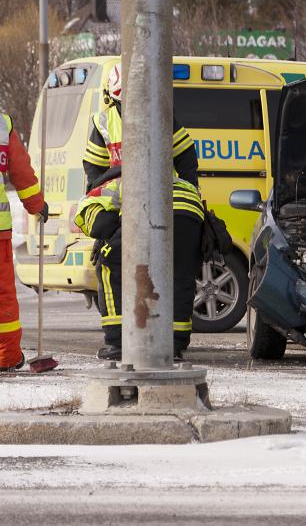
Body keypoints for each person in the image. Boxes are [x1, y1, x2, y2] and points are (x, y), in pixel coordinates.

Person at [74, 169, 204, 361]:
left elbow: (102, 226)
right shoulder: (162, 174)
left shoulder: (93, 198)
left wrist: (105, 242)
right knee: (179, 275)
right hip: (190, 212)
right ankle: (174, 345)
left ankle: (117, 343)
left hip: (152, 209)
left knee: (109, 267)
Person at [81, 62, 198, 191]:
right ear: (113, 99)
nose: (133, 108)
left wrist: (189, 188)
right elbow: (94, 167)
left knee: (186, 210)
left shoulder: (161, 119)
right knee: (96, 211)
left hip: (159, 195)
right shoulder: (104, 123)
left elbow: (185, 154)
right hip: (117, 198)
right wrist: (98, 190)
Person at [0, 113, 48, 371]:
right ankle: (6, 357)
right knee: (2, 296)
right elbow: (21, 173)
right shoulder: (2, 124)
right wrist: (37, 206)